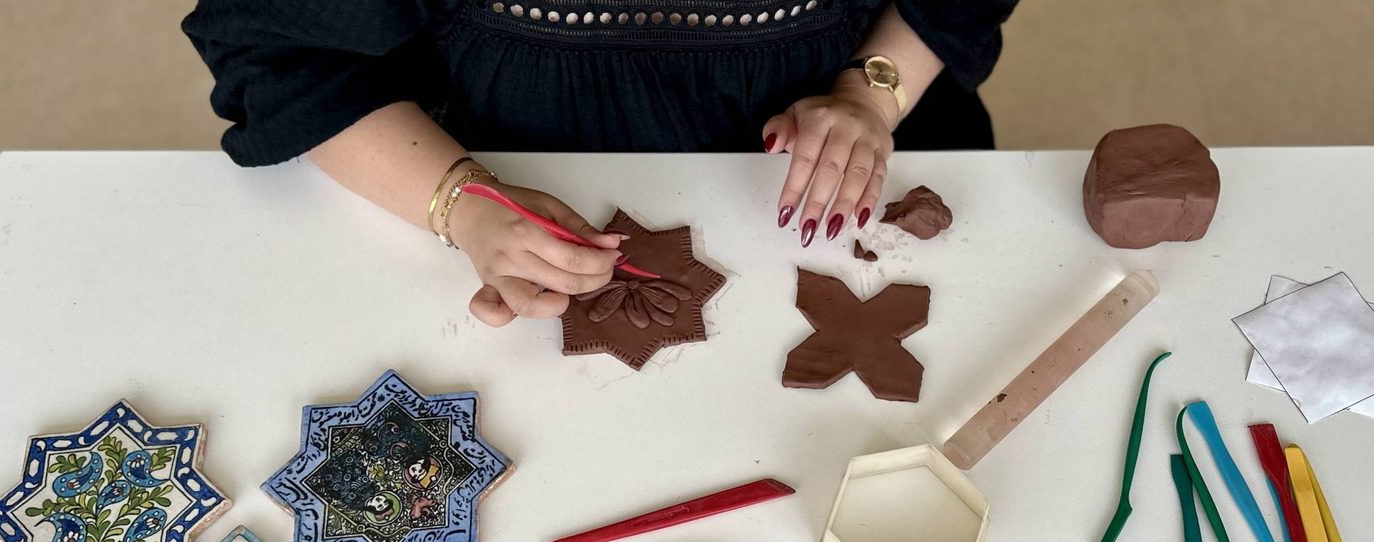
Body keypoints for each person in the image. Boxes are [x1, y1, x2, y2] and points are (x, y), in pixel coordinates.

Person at [184, 1, 1019, 326]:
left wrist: (873, 91)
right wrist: (458, 201)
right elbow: (278, 54)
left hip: (839, 122)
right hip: (496, 145)